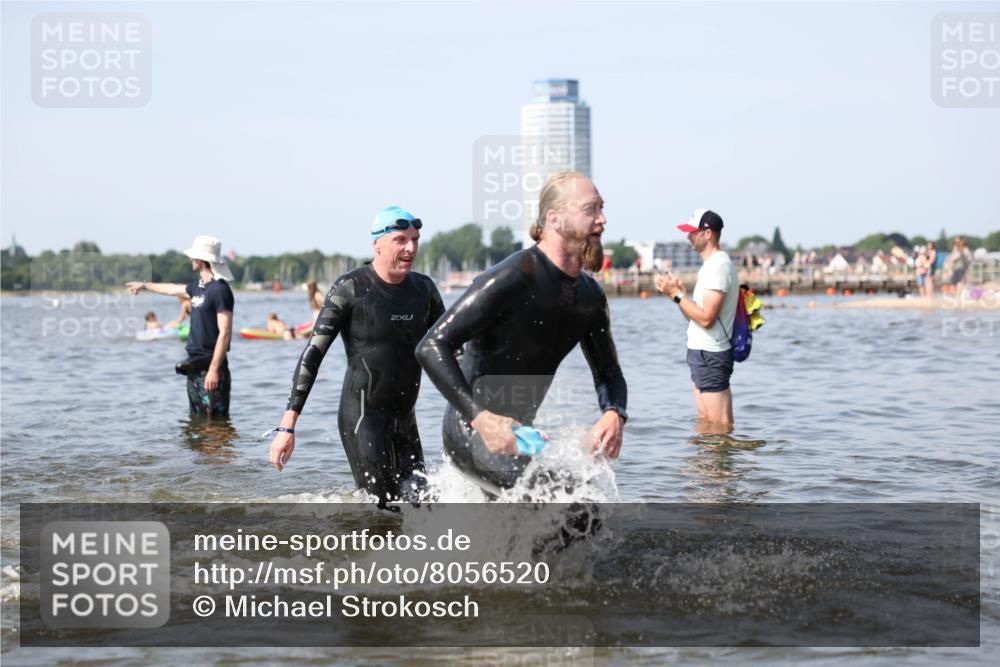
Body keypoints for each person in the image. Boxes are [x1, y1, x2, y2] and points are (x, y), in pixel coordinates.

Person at [415, 171, 627, 493]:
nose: (602, 220)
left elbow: (609, 372)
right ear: (554, 219)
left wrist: (614, 413)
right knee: (570, 501)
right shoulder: (512, 277)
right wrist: (483, 419)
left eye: (601, 208)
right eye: (591, 209)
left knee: (577, 498)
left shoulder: (589, 298)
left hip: (519, 437)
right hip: (472, 432)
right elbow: (431, 345)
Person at [268, 206, 444, 508]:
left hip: (406, 420)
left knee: (423, 505)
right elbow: (313, 354)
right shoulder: (351, 288)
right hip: (363, 418)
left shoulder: (424, 289)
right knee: (385, 510)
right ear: (376, 243)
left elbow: (451, 348)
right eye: (400, 239)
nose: (410, 248)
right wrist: (287, 426)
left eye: (415, 239)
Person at [127, 236, 235, 417]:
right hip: (194, 367)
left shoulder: (220, 290)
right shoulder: (197, 287)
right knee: (196, 423)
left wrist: (214, 370)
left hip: (212, 367)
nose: (190, 260)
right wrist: (144, 285)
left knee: (215, 427)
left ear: (201, 260)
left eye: (193, 256)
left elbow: (225, 333)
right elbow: (171, 289)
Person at [654, 210, 739, 429]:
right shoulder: (711, 266)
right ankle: (704, 464)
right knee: (705, 423)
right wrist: (681, 297)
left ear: (707, 233)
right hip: (701, 353)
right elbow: (696, 318)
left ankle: (722, 464)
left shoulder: (718, 266)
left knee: (720, 427)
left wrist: (676, 295)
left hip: (712, 353)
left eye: (692, 232)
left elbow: (707, 318)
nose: (688, 237)